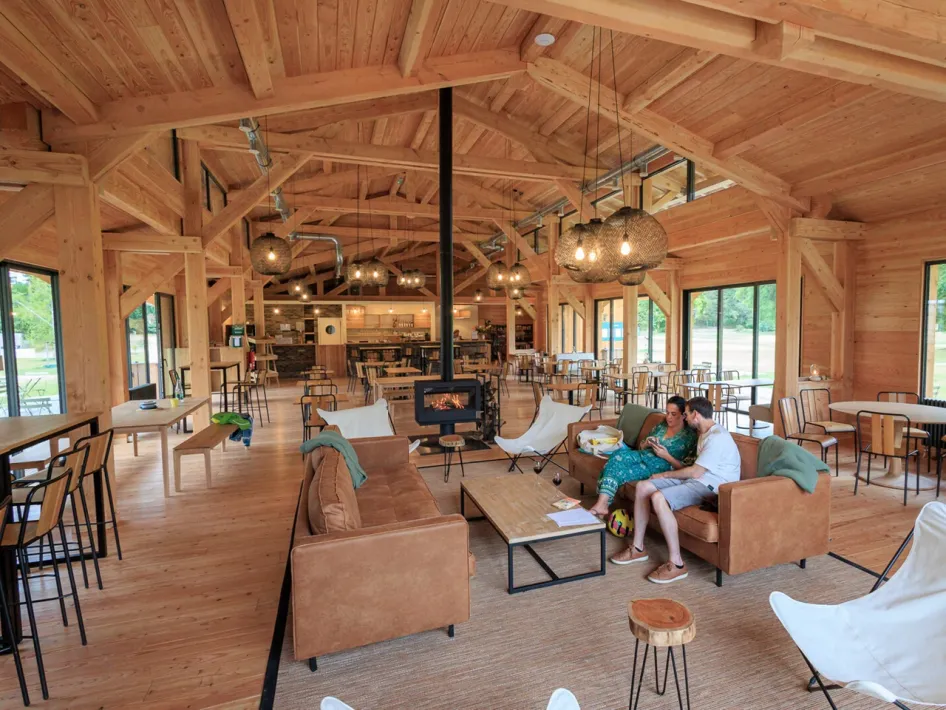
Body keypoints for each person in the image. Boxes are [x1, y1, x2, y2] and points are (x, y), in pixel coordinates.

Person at [610, 396, 742, 584]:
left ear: (696, 414)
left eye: (686, 414)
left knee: (658, 497)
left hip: (712, 487)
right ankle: (638, 548)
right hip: (698, 480)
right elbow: (693, 471)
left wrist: (663, 475)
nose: (685, 419)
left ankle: (677, 564)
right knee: (643, 486)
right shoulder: (704, 433)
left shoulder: (717, 438)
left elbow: (696, 472)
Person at [587, 396, 697, 517]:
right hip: (643, 455)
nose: (669, 417)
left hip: (659, 466)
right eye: (667, 412)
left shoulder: (690, 437)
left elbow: (686, 469)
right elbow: (641, 446)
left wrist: (667, 456)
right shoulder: (662, 426)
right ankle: (602, 505)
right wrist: (647, 443)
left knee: (618, 468)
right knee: (616, 456)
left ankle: (602, 504)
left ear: (683, 415)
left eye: (673, 414)